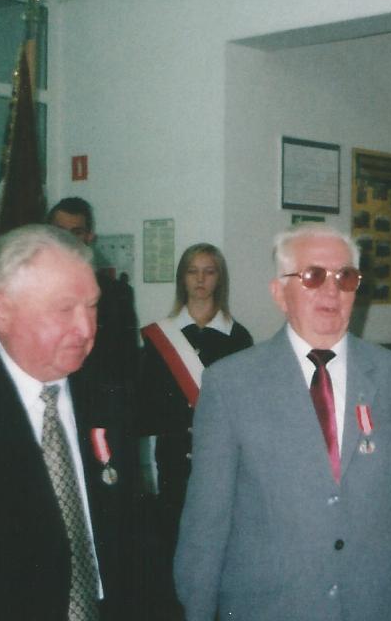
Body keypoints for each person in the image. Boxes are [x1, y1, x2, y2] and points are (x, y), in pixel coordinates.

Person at [174, 224, 391, 620]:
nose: (332, 291)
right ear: (280, 292)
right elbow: (204, 528)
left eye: (345, 277)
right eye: (313, 276)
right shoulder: (230, 384)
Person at [0, 225, 134, 620]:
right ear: (1, 311)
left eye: (92, 306)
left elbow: (122, 542)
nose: (86, 328)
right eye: (65, 309)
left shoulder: (106, 398)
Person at [137, 243, 253, 617]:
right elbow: (147, 409)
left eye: (209, 271)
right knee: (173, 550)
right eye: (192, 271)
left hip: (220, 463)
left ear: (220, 279)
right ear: (182, 279)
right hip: (173, 463)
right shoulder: (159, 338)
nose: (200, 280)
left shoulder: (239, 338)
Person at [48, 197, 139, 389]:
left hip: (96, 399)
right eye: (60, 232)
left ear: (90, 237)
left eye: (77, 232)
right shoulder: (31, 289)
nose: (68, 240)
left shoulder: (117, 294)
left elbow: (127, 365)